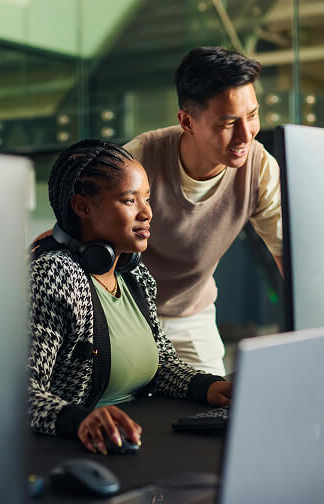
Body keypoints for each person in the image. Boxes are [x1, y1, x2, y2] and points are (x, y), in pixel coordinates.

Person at [28, 139, 232, 455]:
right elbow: (20, 395)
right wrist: (79, 420)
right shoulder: (54, 275)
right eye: (129, 200)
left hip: (137, 439)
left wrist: (210, 387)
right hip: (77, 450)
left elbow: (160, 363)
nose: (147, 212)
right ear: (82, 207)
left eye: (147, 199)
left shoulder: (134, 275)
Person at [124, 47, 283, 376]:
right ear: (187, 121)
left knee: (216, 412)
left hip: (191, 316)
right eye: (228, 122)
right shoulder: (137, 160)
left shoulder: (260, 167)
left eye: (251, 115)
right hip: (126, 316)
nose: (245, 134)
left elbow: (287, 254)